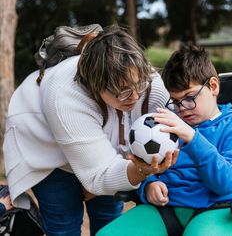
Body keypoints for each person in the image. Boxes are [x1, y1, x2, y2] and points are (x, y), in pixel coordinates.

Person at [3, 25, 178, 236]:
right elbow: (98, 176)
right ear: (95, 86)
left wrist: (108, 182)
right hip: (45, 147)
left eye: (138, 86)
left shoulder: (149, 83)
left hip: (101, 140)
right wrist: (139, 171)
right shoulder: (65, 96)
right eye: (121, 92)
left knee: (108, 217)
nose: (133, 96)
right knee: (64, 223)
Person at [97, 45, 232, 236]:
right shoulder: (163, 124)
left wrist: (192, 137)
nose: (182, 108)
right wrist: (149, 185)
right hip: (165, 209)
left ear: (213, 86)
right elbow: (148, 166)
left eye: (189, 98)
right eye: (175, 101)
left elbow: (227, 183)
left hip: (217, 208)